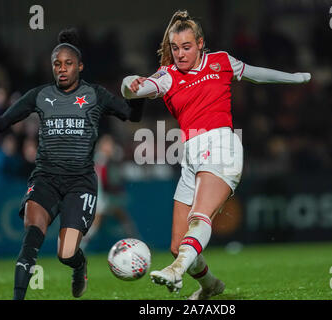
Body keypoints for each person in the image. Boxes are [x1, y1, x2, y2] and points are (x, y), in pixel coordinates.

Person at [121, 10, 310, 300]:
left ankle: (176, 269)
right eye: (175, 48)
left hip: (222, 145)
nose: (181, 54)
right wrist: (130, 81)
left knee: (199, 218)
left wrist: (294, 78)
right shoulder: (168, 76)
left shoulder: (220, 61)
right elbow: (135, 91)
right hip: (190, 156)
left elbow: (255, 74)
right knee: (177, 243)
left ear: (200, 44)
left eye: (187, 47)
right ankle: (210, 285)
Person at [0, 28, 144, 300]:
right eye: (57, 64)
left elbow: (132, 115)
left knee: (66, 254)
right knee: (31, 239)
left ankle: (79, 265)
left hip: (80, 183)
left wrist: (139, 96)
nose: (62, 69)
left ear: (80, 66)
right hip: (45, 179)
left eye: (68, 64)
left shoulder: (95, 95)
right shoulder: (39, 95)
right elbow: (2, 122)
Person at [80, 134, 141, 250]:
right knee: (95, 223)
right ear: (101, 146)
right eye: (107, 144)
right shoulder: (100, 158)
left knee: (122, 216)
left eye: (110, 144)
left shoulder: (105, 158)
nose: (110, 147)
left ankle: (136, 242)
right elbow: (104, 179)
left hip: (104, 195)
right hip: (99, 195)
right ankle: (79, 246)